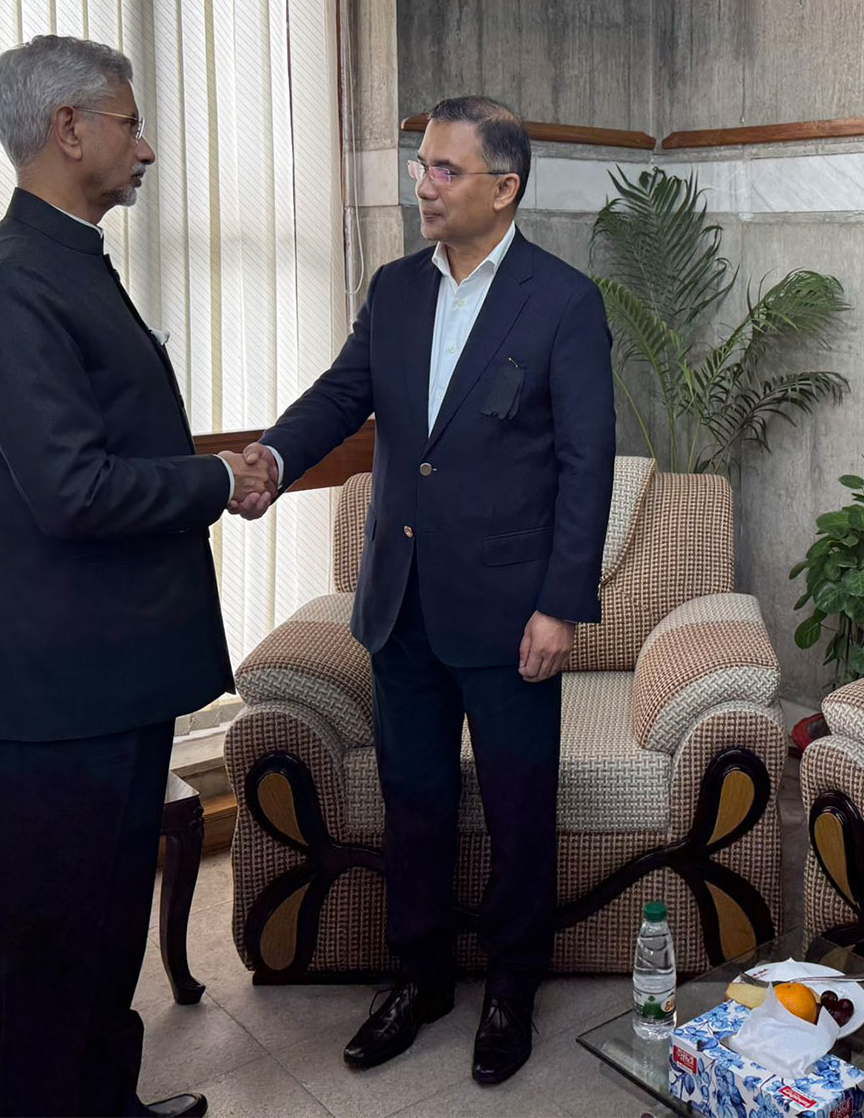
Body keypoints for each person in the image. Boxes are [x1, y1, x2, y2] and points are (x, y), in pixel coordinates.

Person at [238, 96, 615, 1085]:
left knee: (519, 806)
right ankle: (421, 975)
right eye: (421, 166)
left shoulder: (564, 302)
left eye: (445, 170)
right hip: (399, 601)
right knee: (414, 801)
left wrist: (560, 603)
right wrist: (276, 458)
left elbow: (587, 464)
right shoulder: (396, 289)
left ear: (505, 186)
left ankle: (512, 983)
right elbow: (340, 395)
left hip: (509, 612)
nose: (423, 185)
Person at [0, 35, 274, 1118]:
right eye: (129, 124)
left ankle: (106, 1102)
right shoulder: (11, 285)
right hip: (59, 689)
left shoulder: (68, 259)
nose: (144, 149)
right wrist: (212, 484)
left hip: (109, 676)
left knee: (102, 929)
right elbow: (70, 489)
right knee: (49, 951)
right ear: (68, 130)